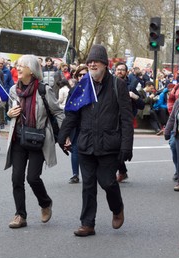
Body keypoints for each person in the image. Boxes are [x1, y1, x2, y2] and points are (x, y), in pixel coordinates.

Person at [58, 44, 134, 236]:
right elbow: (72, 114)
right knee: (88, 184)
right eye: (89, 61)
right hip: (85, 143)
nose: (92, 64)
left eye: (96, 61)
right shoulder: (83, 85)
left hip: (109, 145)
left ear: (105, 64)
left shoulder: (118, 85)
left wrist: (126, 146)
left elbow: (126, 118)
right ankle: (87, 223)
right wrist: (63, 135)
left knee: (108, 182)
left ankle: (117, 209)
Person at [4, 54, 64, 228]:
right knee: (16, 178)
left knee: (32, 178)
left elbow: (58, 113)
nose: (18, 68)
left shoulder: (44, 90)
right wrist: (9, 114)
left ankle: (45, 203)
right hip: (19, 138)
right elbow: (11, 111)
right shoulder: (13, 90)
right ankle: (20, 215)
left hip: (38, 139)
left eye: (22, 65)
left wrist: (66, 135)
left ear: (32, 69)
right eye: (17, 65)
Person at [114, 62, 145, 182]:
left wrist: (134, 96)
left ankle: (121, 171)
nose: (120, 71)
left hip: (125, 122)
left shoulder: (132, 86)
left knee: (120, 148)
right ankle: (122, 171)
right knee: (112, 147)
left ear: (127, 72)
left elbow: (142, 105)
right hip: (111, 120)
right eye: (118, 69)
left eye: (122, 70)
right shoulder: (110, 84)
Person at [66, 65, 88, 184]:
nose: (83, 77)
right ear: (77, 77)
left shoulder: (95, 89)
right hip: (76, 124)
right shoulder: (73, 91)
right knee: (75, 149)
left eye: (85, 74)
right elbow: (67, 110)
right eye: (80, 75)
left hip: (90, 124)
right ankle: (75, 174)